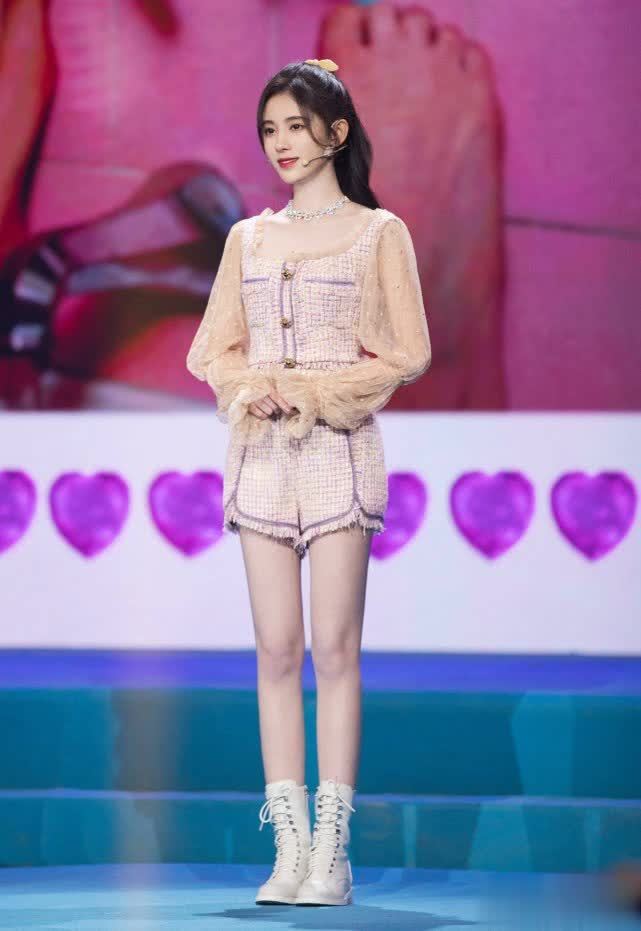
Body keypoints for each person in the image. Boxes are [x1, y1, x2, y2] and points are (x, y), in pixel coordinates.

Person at [186, 57, 431, 907]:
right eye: (269, 129)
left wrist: (318, 392)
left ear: (335, 131)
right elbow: (212, 348)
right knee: (276, 649)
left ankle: (333, 848)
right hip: (260, 454)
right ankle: (288, 848)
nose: (281, 143)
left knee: (333, 648)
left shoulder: (377, 233)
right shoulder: (247, 238)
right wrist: (250, 386)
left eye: (296, 126)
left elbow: (406, 351)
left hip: (336, 451)